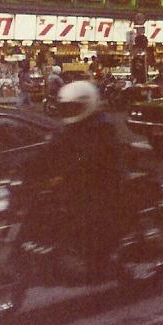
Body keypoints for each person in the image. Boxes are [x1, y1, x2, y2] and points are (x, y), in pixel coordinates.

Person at [41, 81, 125, 279]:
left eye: (74, 107)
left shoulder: (101, 127)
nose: (70, 111)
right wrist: (25, 167)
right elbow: (51, 149)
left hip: (102, 182)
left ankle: (101, 262)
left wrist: (64, 174)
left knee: (88, 216)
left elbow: (92, 157)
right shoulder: (70, 127)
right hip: (78, 181)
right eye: (67, 107)